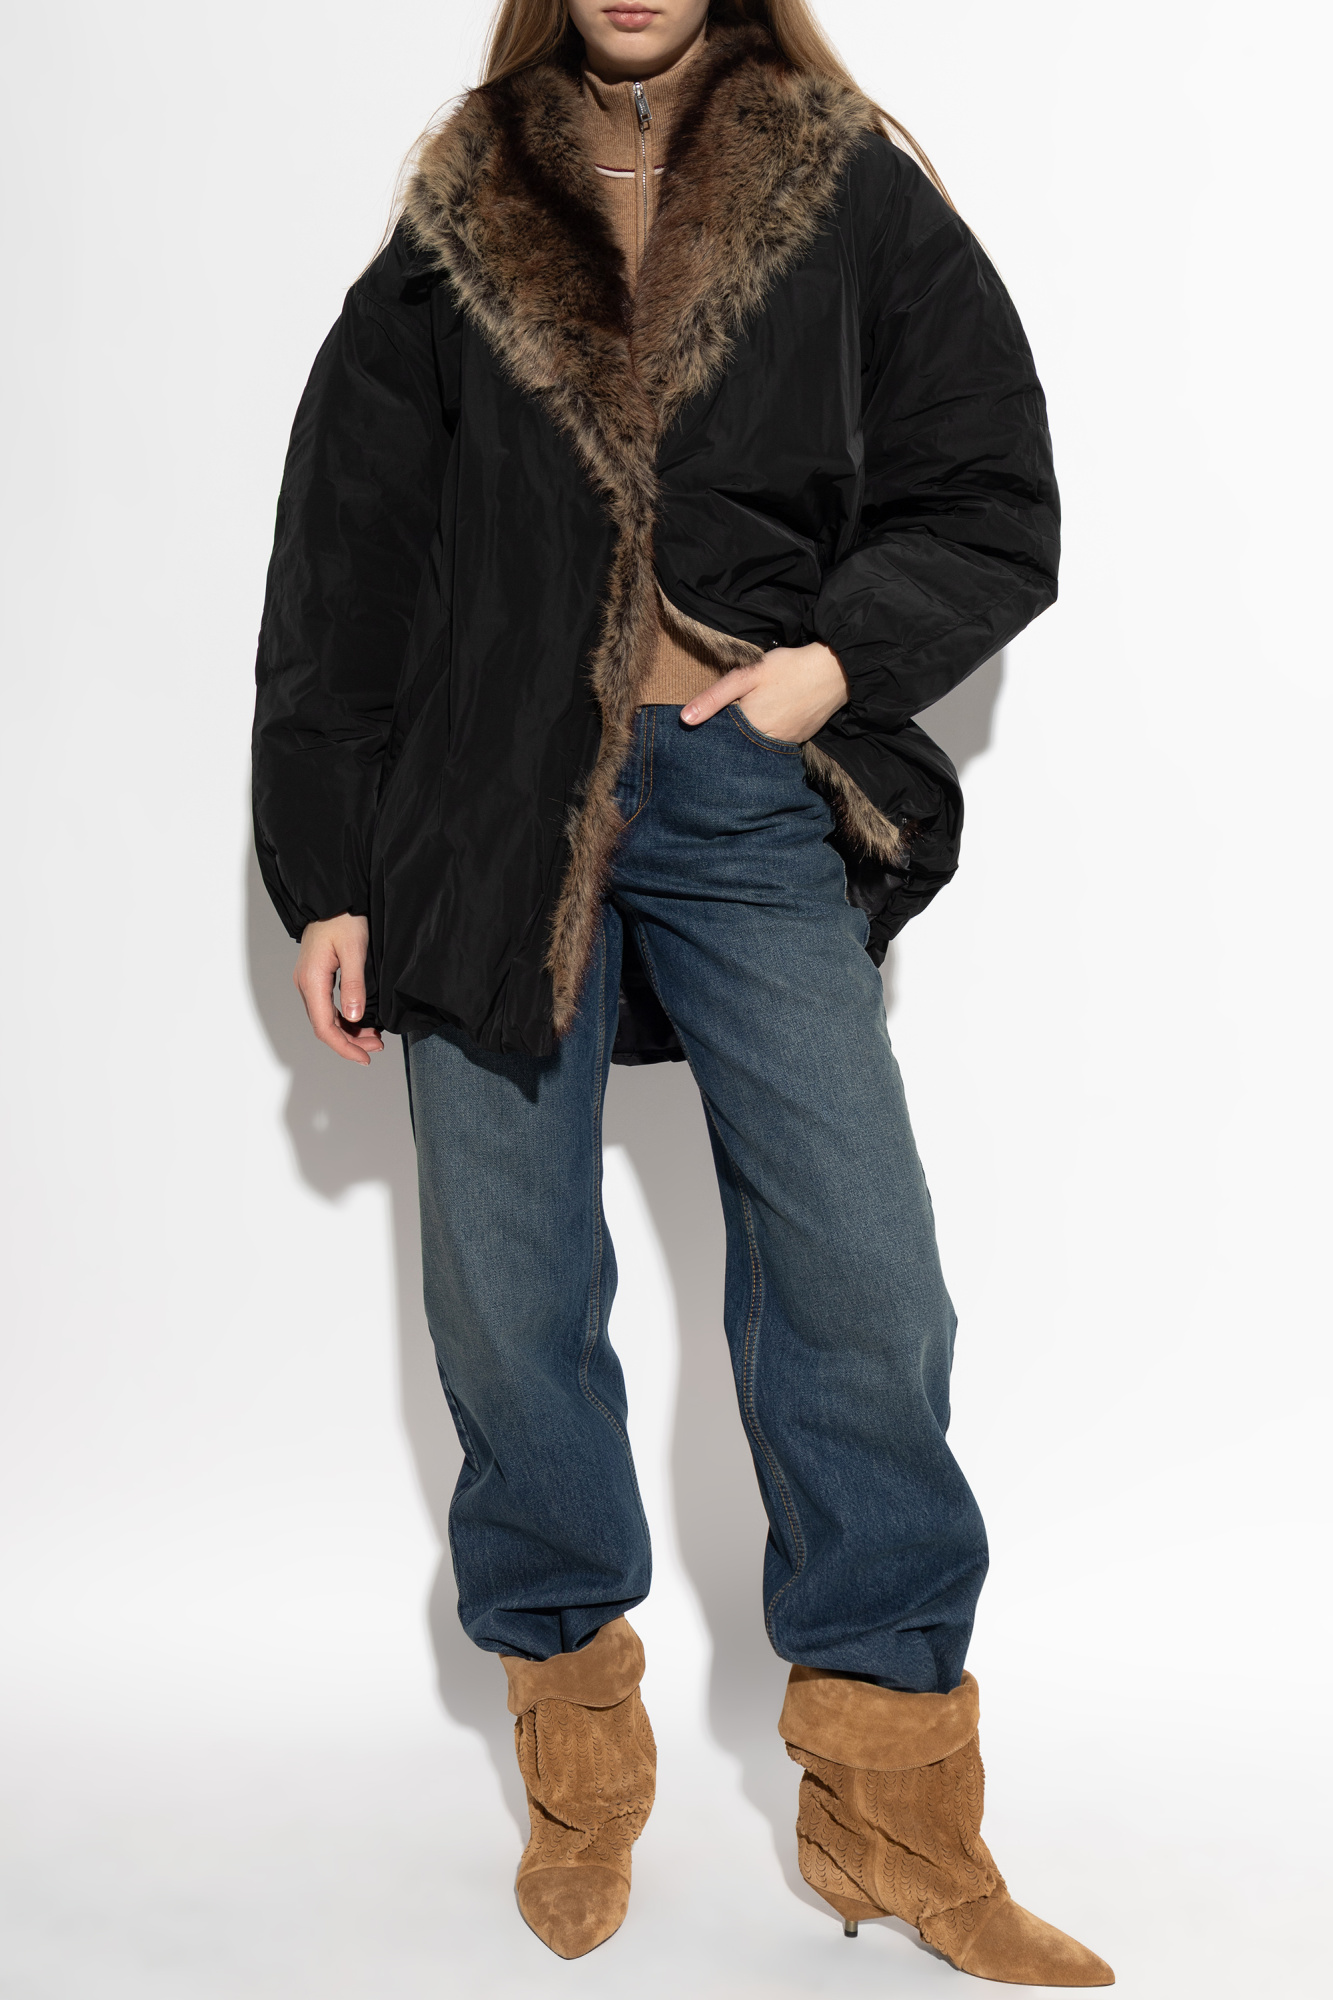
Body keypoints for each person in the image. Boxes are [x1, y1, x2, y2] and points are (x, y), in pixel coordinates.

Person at [253, 0, 1111, 1981]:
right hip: (484, 817)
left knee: (864, 1282)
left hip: (739, 791)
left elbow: (990, 486)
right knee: (506, 1296)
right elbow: (343, 560)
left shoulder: (843, 184)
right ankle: (578, 1748)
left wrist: (828, 668)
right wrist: (329, 870)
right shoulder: (464, 205)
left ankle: (893, 1804)